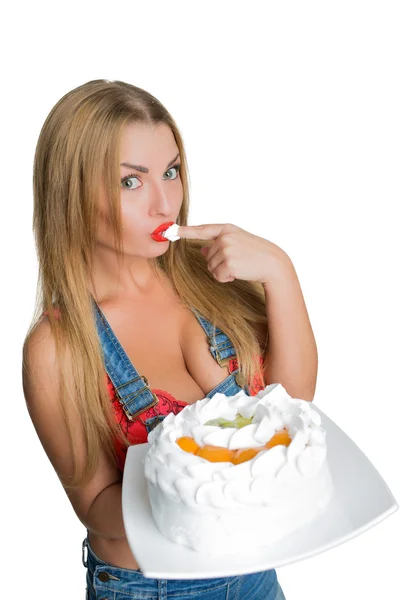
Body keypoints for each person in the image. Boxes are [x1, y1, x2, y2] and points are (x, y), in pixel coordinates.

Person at [22, 79, 317, 600]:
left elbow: (290, 409)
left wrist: (280, 271)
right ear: (72, 192)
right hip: (151, 589)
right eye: (131, 182)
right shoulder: (58, 348)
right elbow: (97, 507)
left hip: (256, 574)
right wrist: (204, 481)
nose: (166, 203)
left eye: (172, 172)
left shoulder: (215, 280)